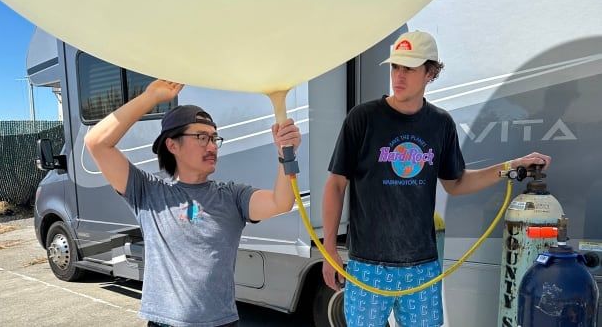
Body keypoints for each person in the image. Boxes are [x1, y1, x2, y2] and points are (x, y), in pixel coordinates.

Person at [320, 30, 551, 327]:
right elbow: (336, 184)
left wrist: (511, 166)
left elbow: (456, 183)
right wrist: (329, 249)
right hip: (368, 264)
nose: (398, 76)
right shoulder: (362, 118)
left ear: (430, 72)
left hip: (422, 264)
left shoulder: (440, 124)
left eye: (409, 68)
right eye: (395, 67)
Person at [84, 79, 301, 327]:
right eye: (201, 137)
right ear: (172, 144)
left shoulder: (231, 196)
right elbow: (96, 143)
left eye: (214, 138)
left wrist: (287, 153)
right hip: (164, 323)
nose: (212, 146)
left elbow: (280, 202)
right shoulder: (148, 193)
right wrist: (150, 97)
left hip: (221, 323)